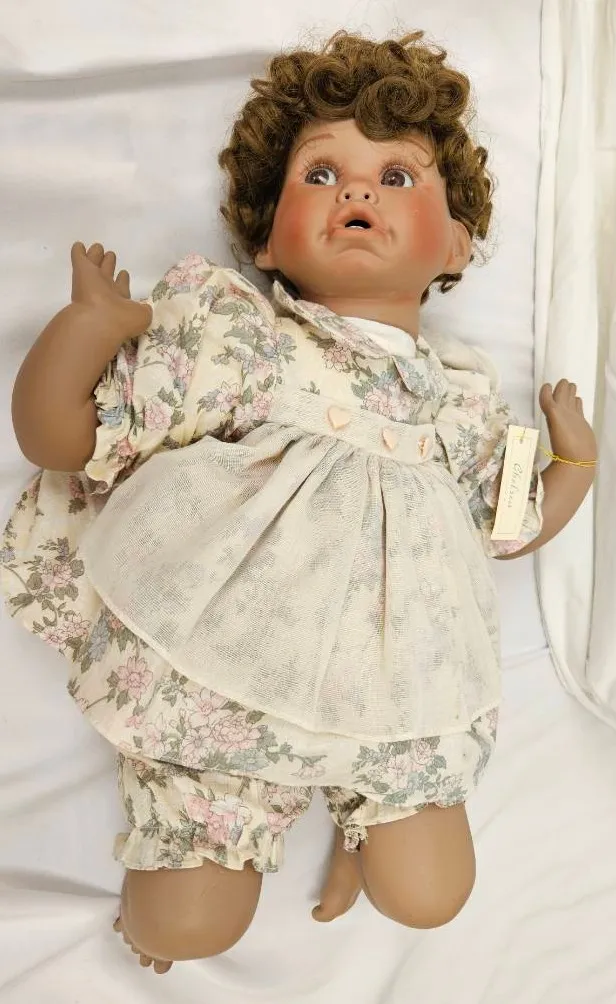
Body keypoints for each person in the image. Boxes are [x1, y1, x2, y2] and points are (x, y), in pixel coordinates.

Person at [1, 30, 596, 974]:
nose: (358, 192)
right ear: (267, 238)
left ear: (456, 243)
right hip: (223, 676)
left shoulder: (459, 398)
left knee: (433, 897)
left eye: (396, 177)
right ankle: (201, 862)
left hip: (400, 693)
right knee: (185, 928)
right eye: (321, 175)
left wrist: (575, 466)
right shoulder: (241, 338)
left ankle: (363, 814)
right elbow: (62, 439)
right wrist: (88, 329)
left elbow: (508, 525)